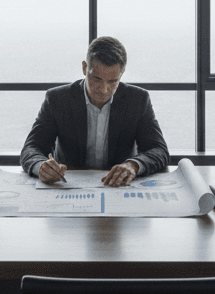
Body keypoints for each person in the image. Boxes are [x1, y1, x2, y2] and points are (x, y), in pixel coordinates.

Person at [20, 36, 170, 187]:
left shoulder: (138, 100)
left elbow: (159, 150)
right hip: (68, 188)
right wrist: (41, 166)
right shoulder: (57, 99)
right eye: (96, 79)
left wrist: (133, 165)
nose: (104, 90)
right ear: (85, 68)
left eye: (112, 81)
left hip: (118, 188)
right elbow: (32, 147)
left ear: (122, 74)